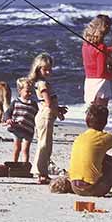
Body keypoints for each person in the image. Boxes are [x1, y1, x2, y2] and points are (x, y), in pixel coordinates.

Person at [69, 100, 112, 198]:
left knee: (101, 157)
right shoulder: (105, 137)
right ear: (105, 122)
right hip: (95, 189)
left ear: (87, 121)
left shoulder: (79, 138)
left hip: (75, 188)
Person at [29, 53, 67, 185]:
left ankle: (41, 171)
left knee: (45, 144)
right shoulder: (42, 84)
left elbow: (50, 102)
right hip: (45, 115)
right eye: (45, 69)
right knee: (44, 145)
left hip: (46, 115)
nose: (48, 72)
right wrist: (58, 112)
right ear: (38, 69)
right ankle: (40, 173)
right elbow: (48, 103)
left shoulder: (42, 83)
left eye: (50, 69)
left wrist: (58, 109)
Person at [81, 14, 112, 104]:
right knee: (101, 113)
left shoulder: (85, 45)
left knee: (91, 113)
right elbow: (101, 73)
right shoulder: (101, 47)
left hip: (89, 82)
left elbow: (96, 54)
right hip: (100, 84)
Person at [5, 77, 38, 164]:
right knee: (17, 147)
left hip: (28, 129)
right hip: (17, 128)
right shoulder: (15, 102)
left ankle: (25, 166)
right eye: (27, 91)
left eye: (31, 91)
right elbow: (8, 112)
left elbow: (37, 116)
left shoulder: (34, 104)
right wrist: (8, 119)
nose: (30, 93)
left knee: (25, 149)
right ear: (20, 91)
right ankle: (14, 163)